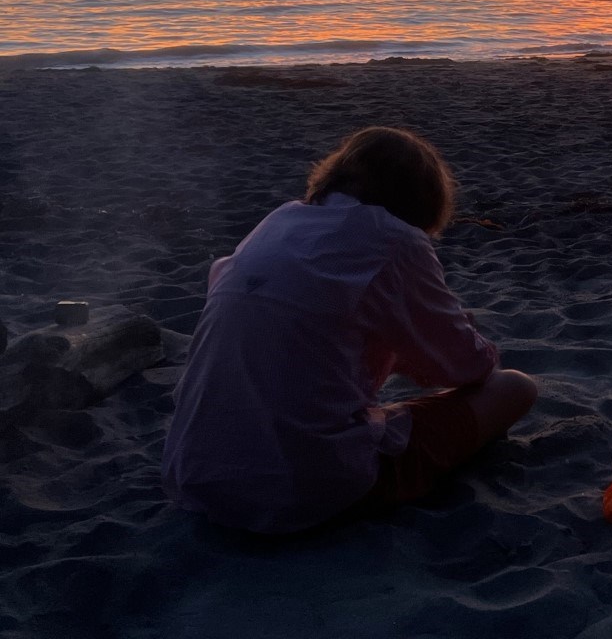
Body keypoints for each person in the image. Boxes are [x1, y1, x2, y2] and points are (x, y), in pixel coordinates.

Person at [161, 126, 537, 534]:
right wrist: (460, 336)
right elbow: (467, 367)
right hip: (296, 489)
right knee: (515, 388)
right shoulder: (398, 241)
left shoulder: (279, 220)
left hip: (193, 475)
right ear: (424, 198)